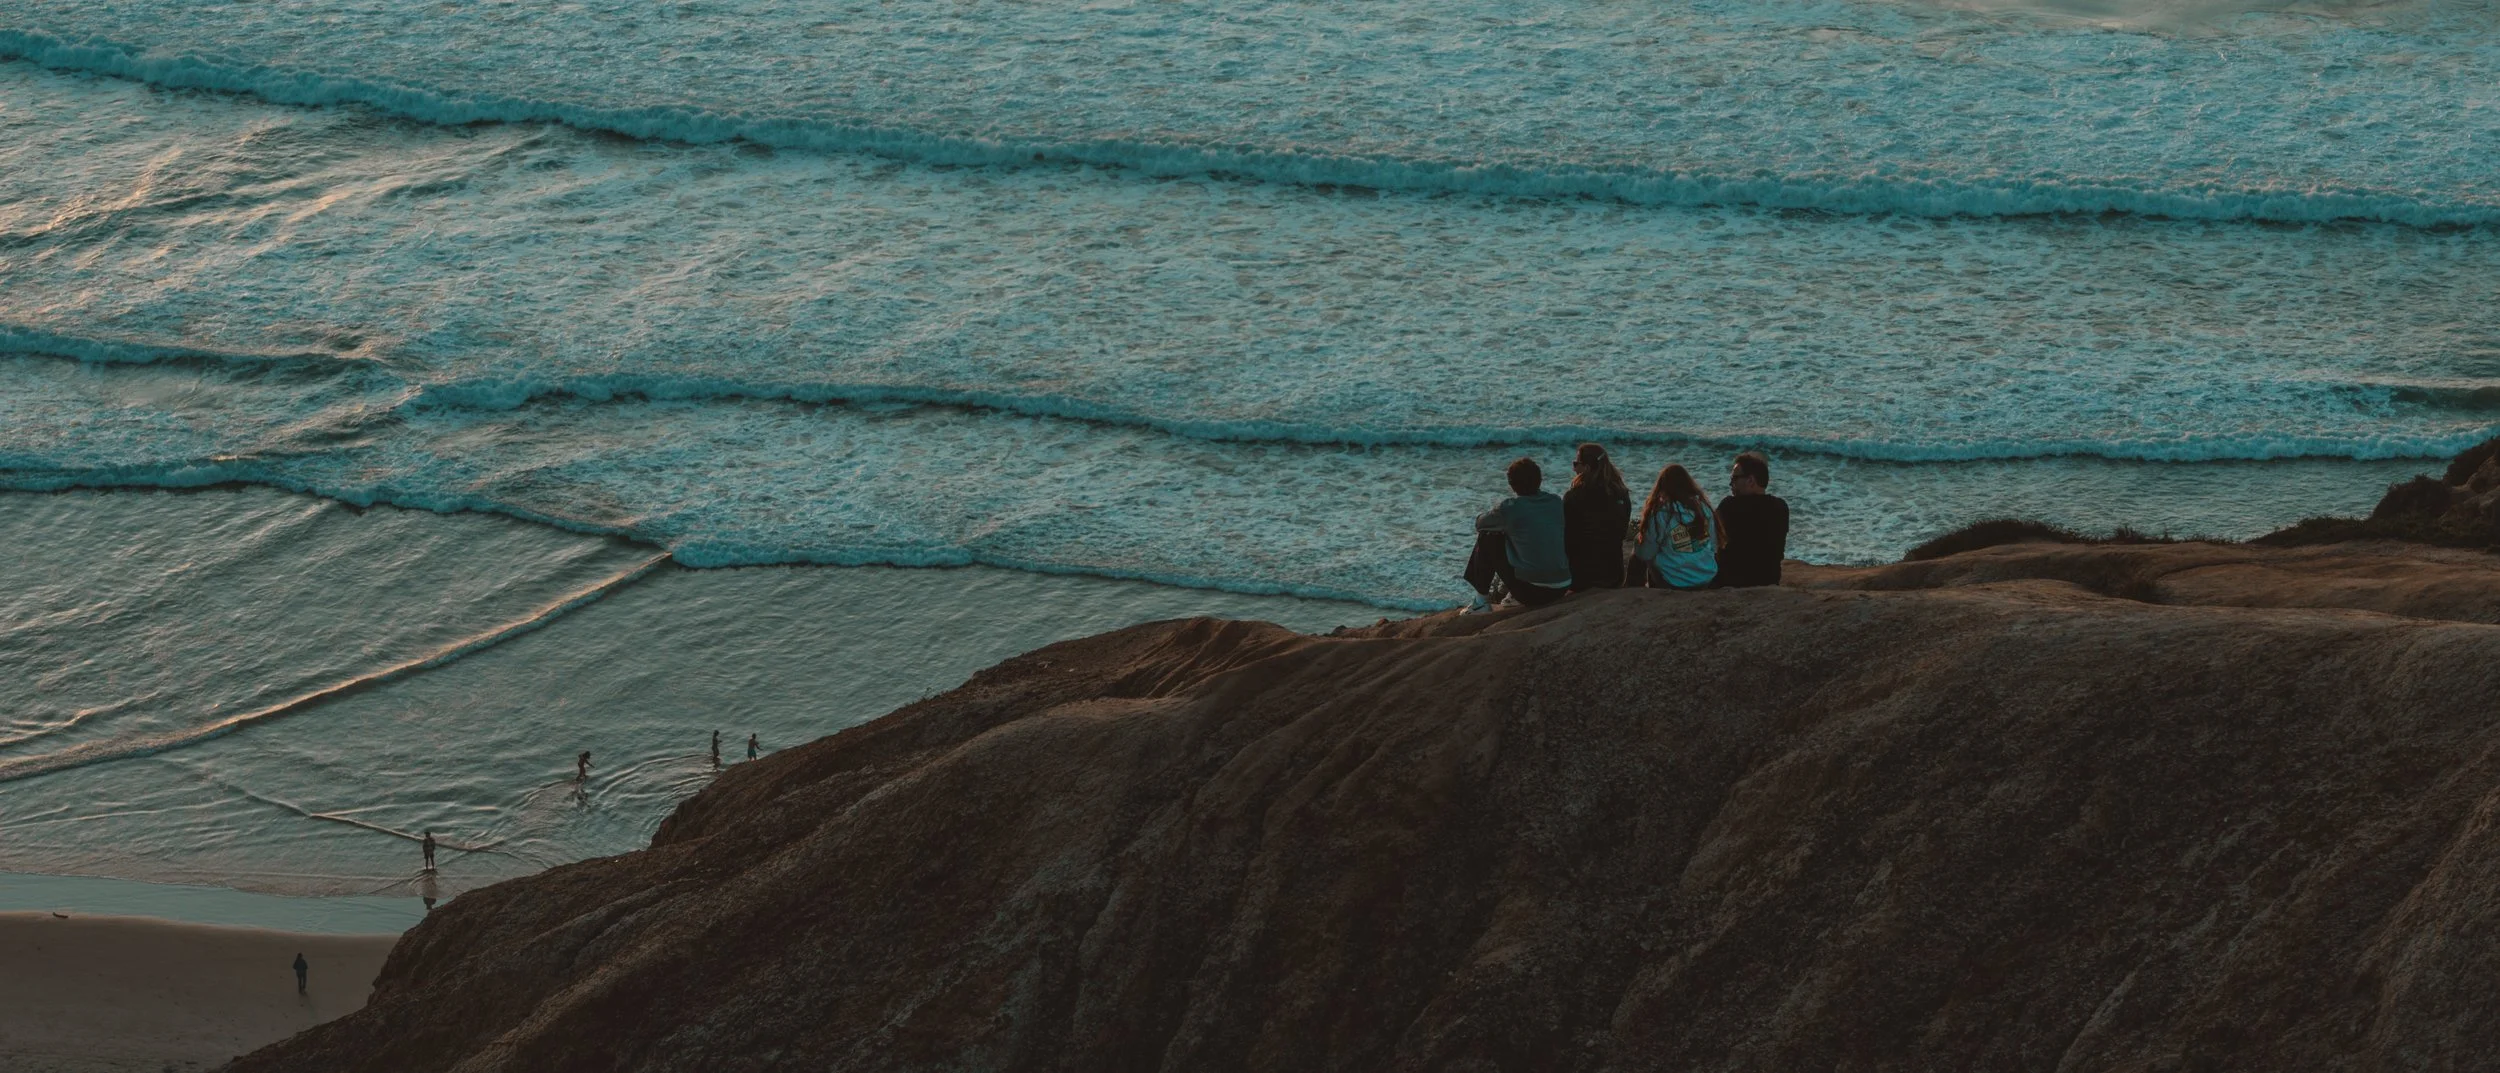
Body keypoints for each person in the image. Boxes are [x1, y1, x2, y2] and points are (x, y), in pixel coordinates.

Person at [1465, 458, 1573, 609]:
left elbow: (1480, 524)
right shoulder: (1555, 502)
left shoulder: (1511, 508)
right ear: (1540, 480)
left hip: (1532, 591)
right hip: (1562, 586)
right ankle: (1510, 594)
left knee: (1488, 536)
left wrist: (1499, 511)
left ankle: (1480, 602)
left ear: (1511, 484)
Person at [1632, 463, 1723, 590]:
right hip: (1706, 577)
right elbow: (1714, 546)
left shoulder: (1661, 513)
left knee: (1642, 544)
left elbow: (1645, 554)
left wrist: (1638, 542)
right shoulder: (1704, 508)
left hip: (1674, 582)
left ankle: (1634, 587)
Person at [1714, 451, 1790, 588]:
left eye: (1734, 479)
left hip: (1730, 580)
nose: (1731, 484)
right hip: (1768, 579)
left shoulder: (1728, 506)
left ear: (1750, 481)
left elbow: (1710, 538)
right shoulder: (1780, 507)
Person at [1562, 443, 1631, 592]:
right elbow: (1622, 530)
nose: (1574, 468)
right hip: (1614, 575)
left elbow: (1566, 535)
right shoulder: (1622, 494)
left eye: (1576, 464)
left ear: (1586, 468)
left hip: (1581, 578)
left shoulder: (1574, 496)